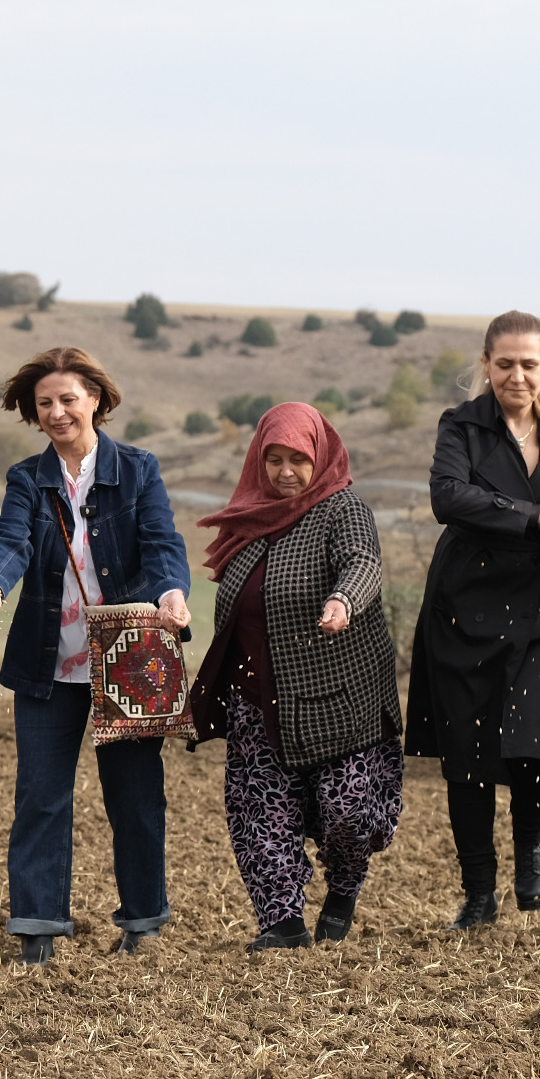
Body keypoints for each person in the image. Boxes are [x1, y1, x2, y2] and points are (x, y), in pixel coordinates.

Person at [0, 346, 192, 965]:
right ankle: (38, 928)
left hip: (127, 657)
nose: (58, 411)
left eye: (68, 399)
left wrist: (172, 593)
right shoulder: (27, 478)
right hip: (49, 661)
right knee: (41, 796)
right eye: (45, 403)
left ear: (95, 398)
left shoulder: (139, 469)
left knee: (135, 796)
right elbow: (10, 541)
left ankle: (142, 922)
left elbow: (163, 544)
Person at [406, 311, 540, 931]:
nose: (516, 375)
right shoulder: (460, 426)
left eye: (528, 364)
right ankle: (479, 894)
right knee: (468, 756)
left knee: (536, 737)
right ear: (486, 365)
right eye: (504, 364)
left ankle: (530, 844)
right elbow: (449, 497)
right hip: (466, 605)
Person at [186, 404, 404, 950]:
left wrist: (343, 600)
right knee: (263, 810)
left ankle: (344, 888)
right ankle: (281, 923)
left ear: (320, 456)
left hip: (336, 696)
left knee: (347, 812)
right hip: (256, 698)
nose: (285, 472)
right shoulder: (250, 520)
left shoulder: (343, 510)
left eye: (298, 460)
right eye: (274, 459)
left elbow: (363, 563)